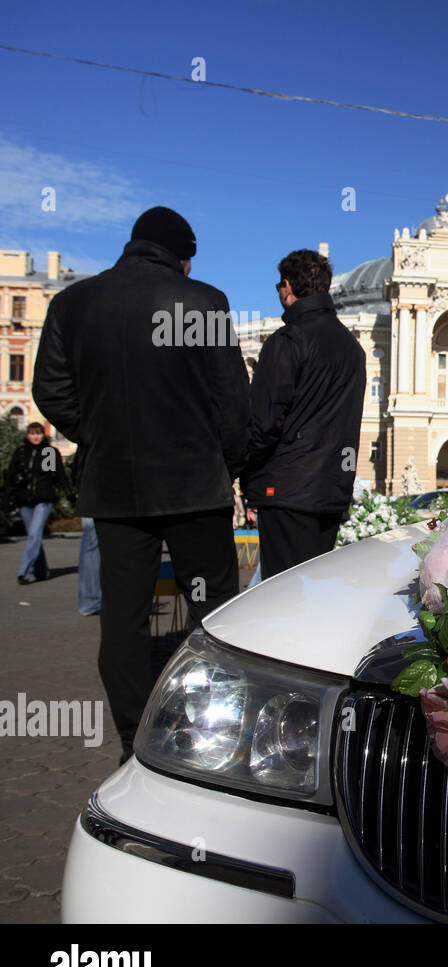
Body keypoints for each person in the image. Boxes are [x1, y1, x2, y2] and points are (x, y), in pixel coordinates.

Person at [33, 207, 250, 764]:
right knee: (212, 611)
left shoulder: (73, 303)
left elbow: (51, 392)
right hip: (195, 488)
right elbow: (231, 401)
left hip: (116, 488)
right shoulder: (204, 303)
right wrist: (228, 460)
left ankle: (133, 737)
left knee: (123, 621)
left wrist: (98, 436)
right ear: (182, 255)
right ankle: (208, 728)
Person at [242, 249, 364, 578]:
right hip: (332, 490)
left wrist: (248, 475)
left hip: (286, 490)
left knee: (282, 593)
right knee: (314, 592)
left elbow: (264, 423)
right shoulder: (353, 349)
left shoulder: (288, 340)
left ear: (287, 286)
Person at [3, 422, 71, 583]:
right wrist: (7, 495)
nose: (36, 437)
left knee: (34, 534)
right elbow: (11, 475)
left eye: (38, 433)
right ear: (27, 435)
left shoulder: (48, 452)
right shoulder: (21, 452)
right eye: (32, 433)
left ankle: (25, 572)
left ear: (43, 435)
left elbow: (57, 475)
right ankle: (42, 572)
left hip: (43, 499)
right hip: (24, 500)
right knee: (35, 536)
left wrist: (69, 493)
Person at [71, 453, 101, 615]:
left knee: (91, 544)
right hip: (92, 487)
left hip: (89, 486)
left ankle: (90, 600)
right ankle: (90, 600)